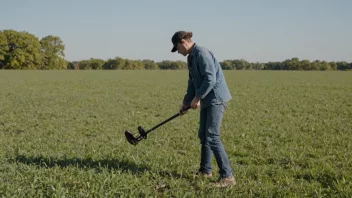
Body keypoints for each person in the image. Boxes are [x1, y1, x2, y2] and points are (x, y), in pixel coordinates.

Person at [170, 30, 236, 188]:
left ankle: (227, 177)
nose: (177, 51)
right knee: (204, 135)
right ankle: (205, 171)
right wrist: (185, 103)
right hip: (208, 99)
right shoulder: (191, 58)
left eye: (177, 48)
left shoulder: (201, 54)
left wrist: (197, 98)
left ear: (183, 42)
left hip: (216, 98)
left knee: (212, 136)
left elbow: (210, 79)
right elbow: (192, 83)